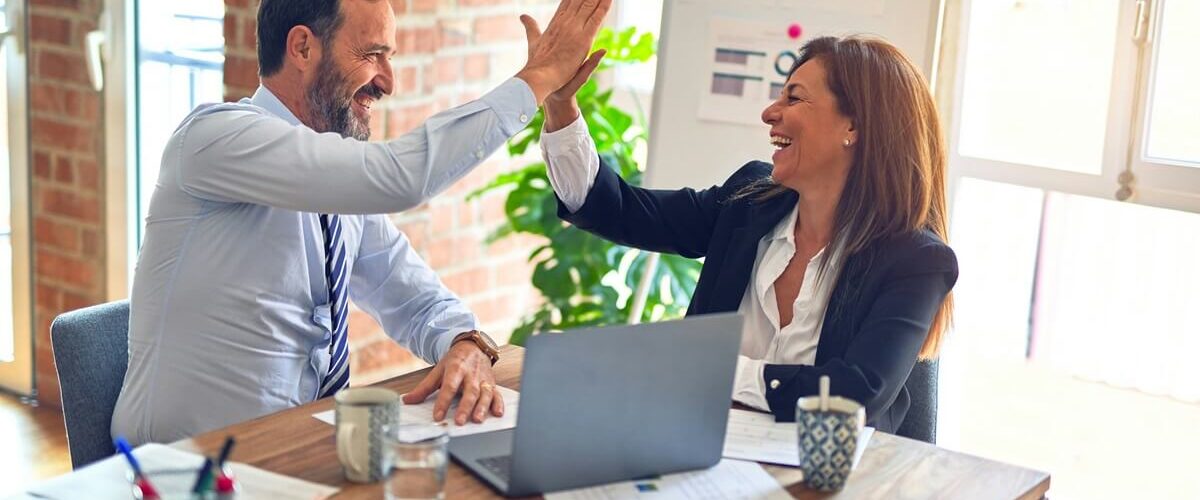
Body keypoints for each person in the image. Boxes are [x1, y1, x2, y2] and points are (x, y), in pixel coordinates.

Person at [112, 0, 611, 445]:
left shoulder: (337, 187)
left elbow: (413, 296)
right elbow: (401, 178)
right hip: (182, 470)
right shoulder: (214, 139)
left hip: (297, 453)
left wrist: (465, 343)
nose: (388, 81)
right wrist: (539, 78)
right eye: (373, 54)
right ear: (303, 47)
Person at [539, 35, 958, 433]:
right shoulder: (749, 202)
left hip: (829, 481)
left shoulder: (916, 261)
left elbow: (854, 396)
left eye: (793, 97)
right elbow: (619, 210)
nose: (769, 112)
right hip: (701, 452)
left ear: (854, 127)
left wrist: (714, 370)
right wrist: (560, 105)